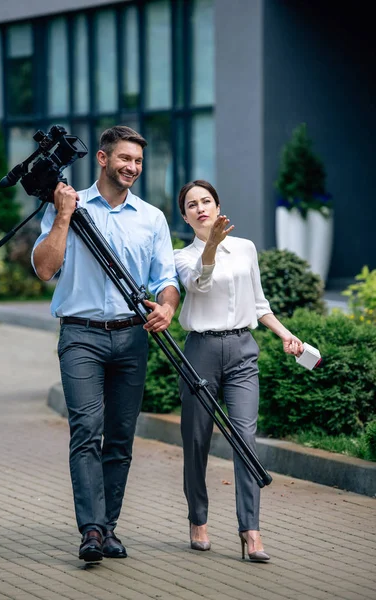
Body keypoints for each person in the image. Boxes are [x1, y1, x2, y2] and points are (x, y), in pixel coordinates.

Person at [32, 125, 180, 562]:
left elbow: (166, 279)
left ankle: (108, 526)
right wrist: (61, 216)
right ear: (102, 158)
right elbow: (44, 269)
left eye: (137, 161)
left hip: (133, 337)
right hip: (80, 335)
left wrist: (168, 307)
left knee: (120, 438)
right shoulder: (69, 205)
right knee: (86, 431)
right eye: (124, 159)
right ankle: (91, 531)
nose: (132, 167)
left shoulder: (151, 218)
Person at [174, 180, 303, 562]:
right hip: (201, 351)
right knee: (196, 441)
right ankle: (198, 519)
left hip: (243, 350)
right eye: (192, 204)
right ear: (184, 216)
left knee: (246, 440)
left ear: (218, 206)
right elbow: (198, 284)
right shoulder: (182, 256)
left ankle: (251, 530)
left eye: (207, 201)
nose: (201, 208)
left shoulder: (245, 248)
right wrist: (210, 245)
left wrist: (285, 334)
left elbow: (259, 303)